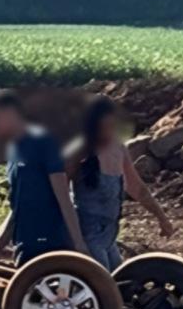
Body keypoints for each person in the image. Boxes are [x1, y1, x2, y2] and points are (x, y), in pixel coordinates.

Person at [66, 95, 174, 270]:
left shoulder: (118, 148)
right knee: (104, 287)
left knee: (123, 280)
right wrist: (76, 240)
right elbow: (61, 193)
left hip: (109, 234)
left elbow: (137, 188)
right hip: (88, 234)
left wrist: (161, 218)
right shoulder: (79, 151)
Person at [0, 89, 85, 264]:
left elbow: (64, 198)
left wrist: (80, 245)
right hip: (24, 245)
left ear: (10, 113)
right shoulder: (13, 150)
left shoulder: (43, 144)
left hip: (48, 245)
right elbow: (17, 208)